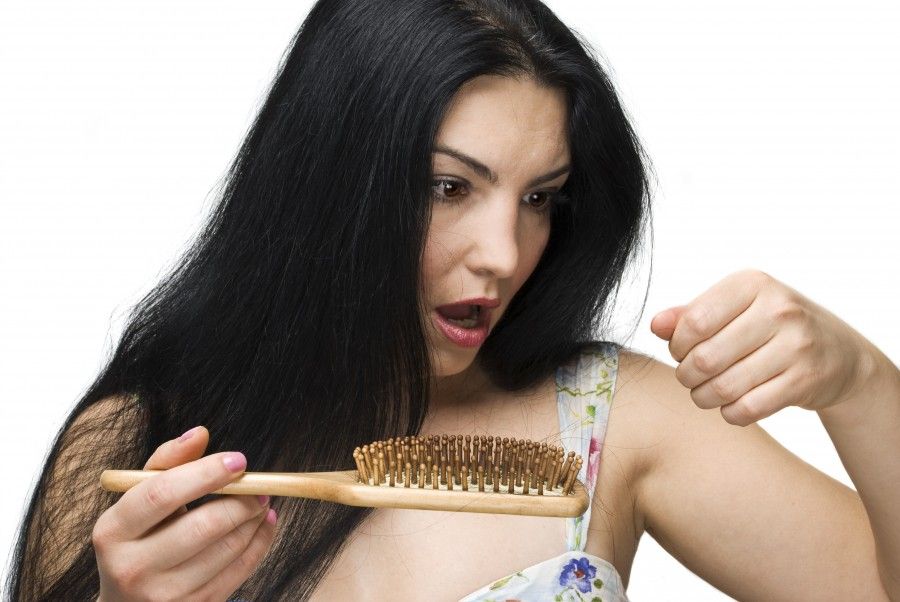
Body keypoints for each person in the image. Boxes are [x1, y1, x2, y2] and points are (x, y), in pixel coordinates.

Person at [7, 0, 899, 600]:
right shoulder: (131, 449)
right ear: (330, 183)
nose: (506, 254)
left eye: (540, 198)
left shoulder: (613, 420)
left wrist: (860, 383)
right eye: (448, 188)